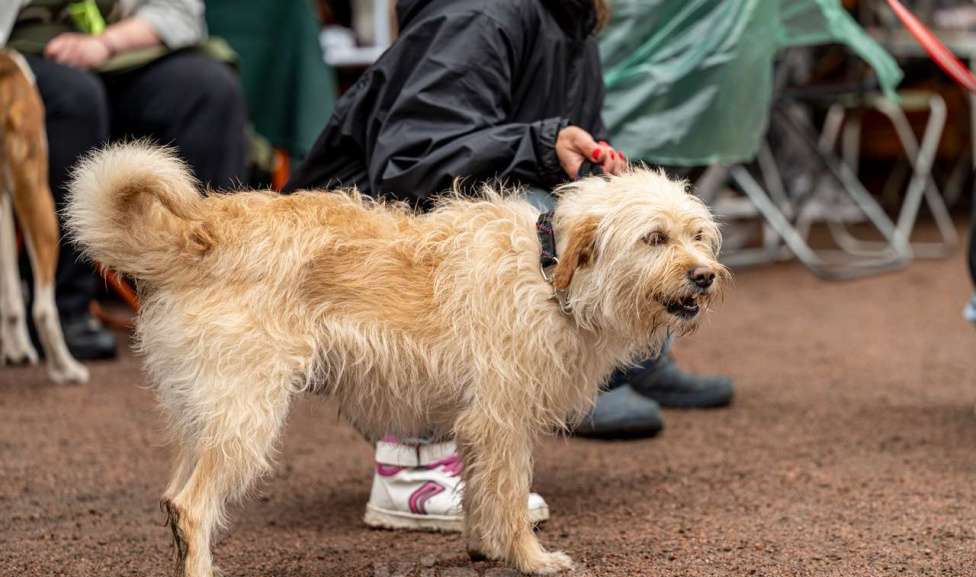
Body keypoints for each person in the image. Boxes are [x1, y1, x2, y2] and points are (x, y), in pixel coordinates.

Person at [285, 0, 733, 531]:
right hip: (360, 247)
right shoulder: (478, 13)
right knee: (535, 220)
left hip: (449, 210)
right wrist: (542, 144)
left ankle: (630, 359)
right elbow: (410, 162)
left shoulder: (574, 18)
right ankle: (415, 464)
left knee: (605, 226)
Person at [5, 0, 247, 360]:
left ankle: (208, 294)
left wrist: (105, 44)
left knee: (210, 90)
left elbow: (178, 11)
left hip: (116, 51)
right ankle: (66, 304)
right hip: (23, 59)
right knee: (77, 99)